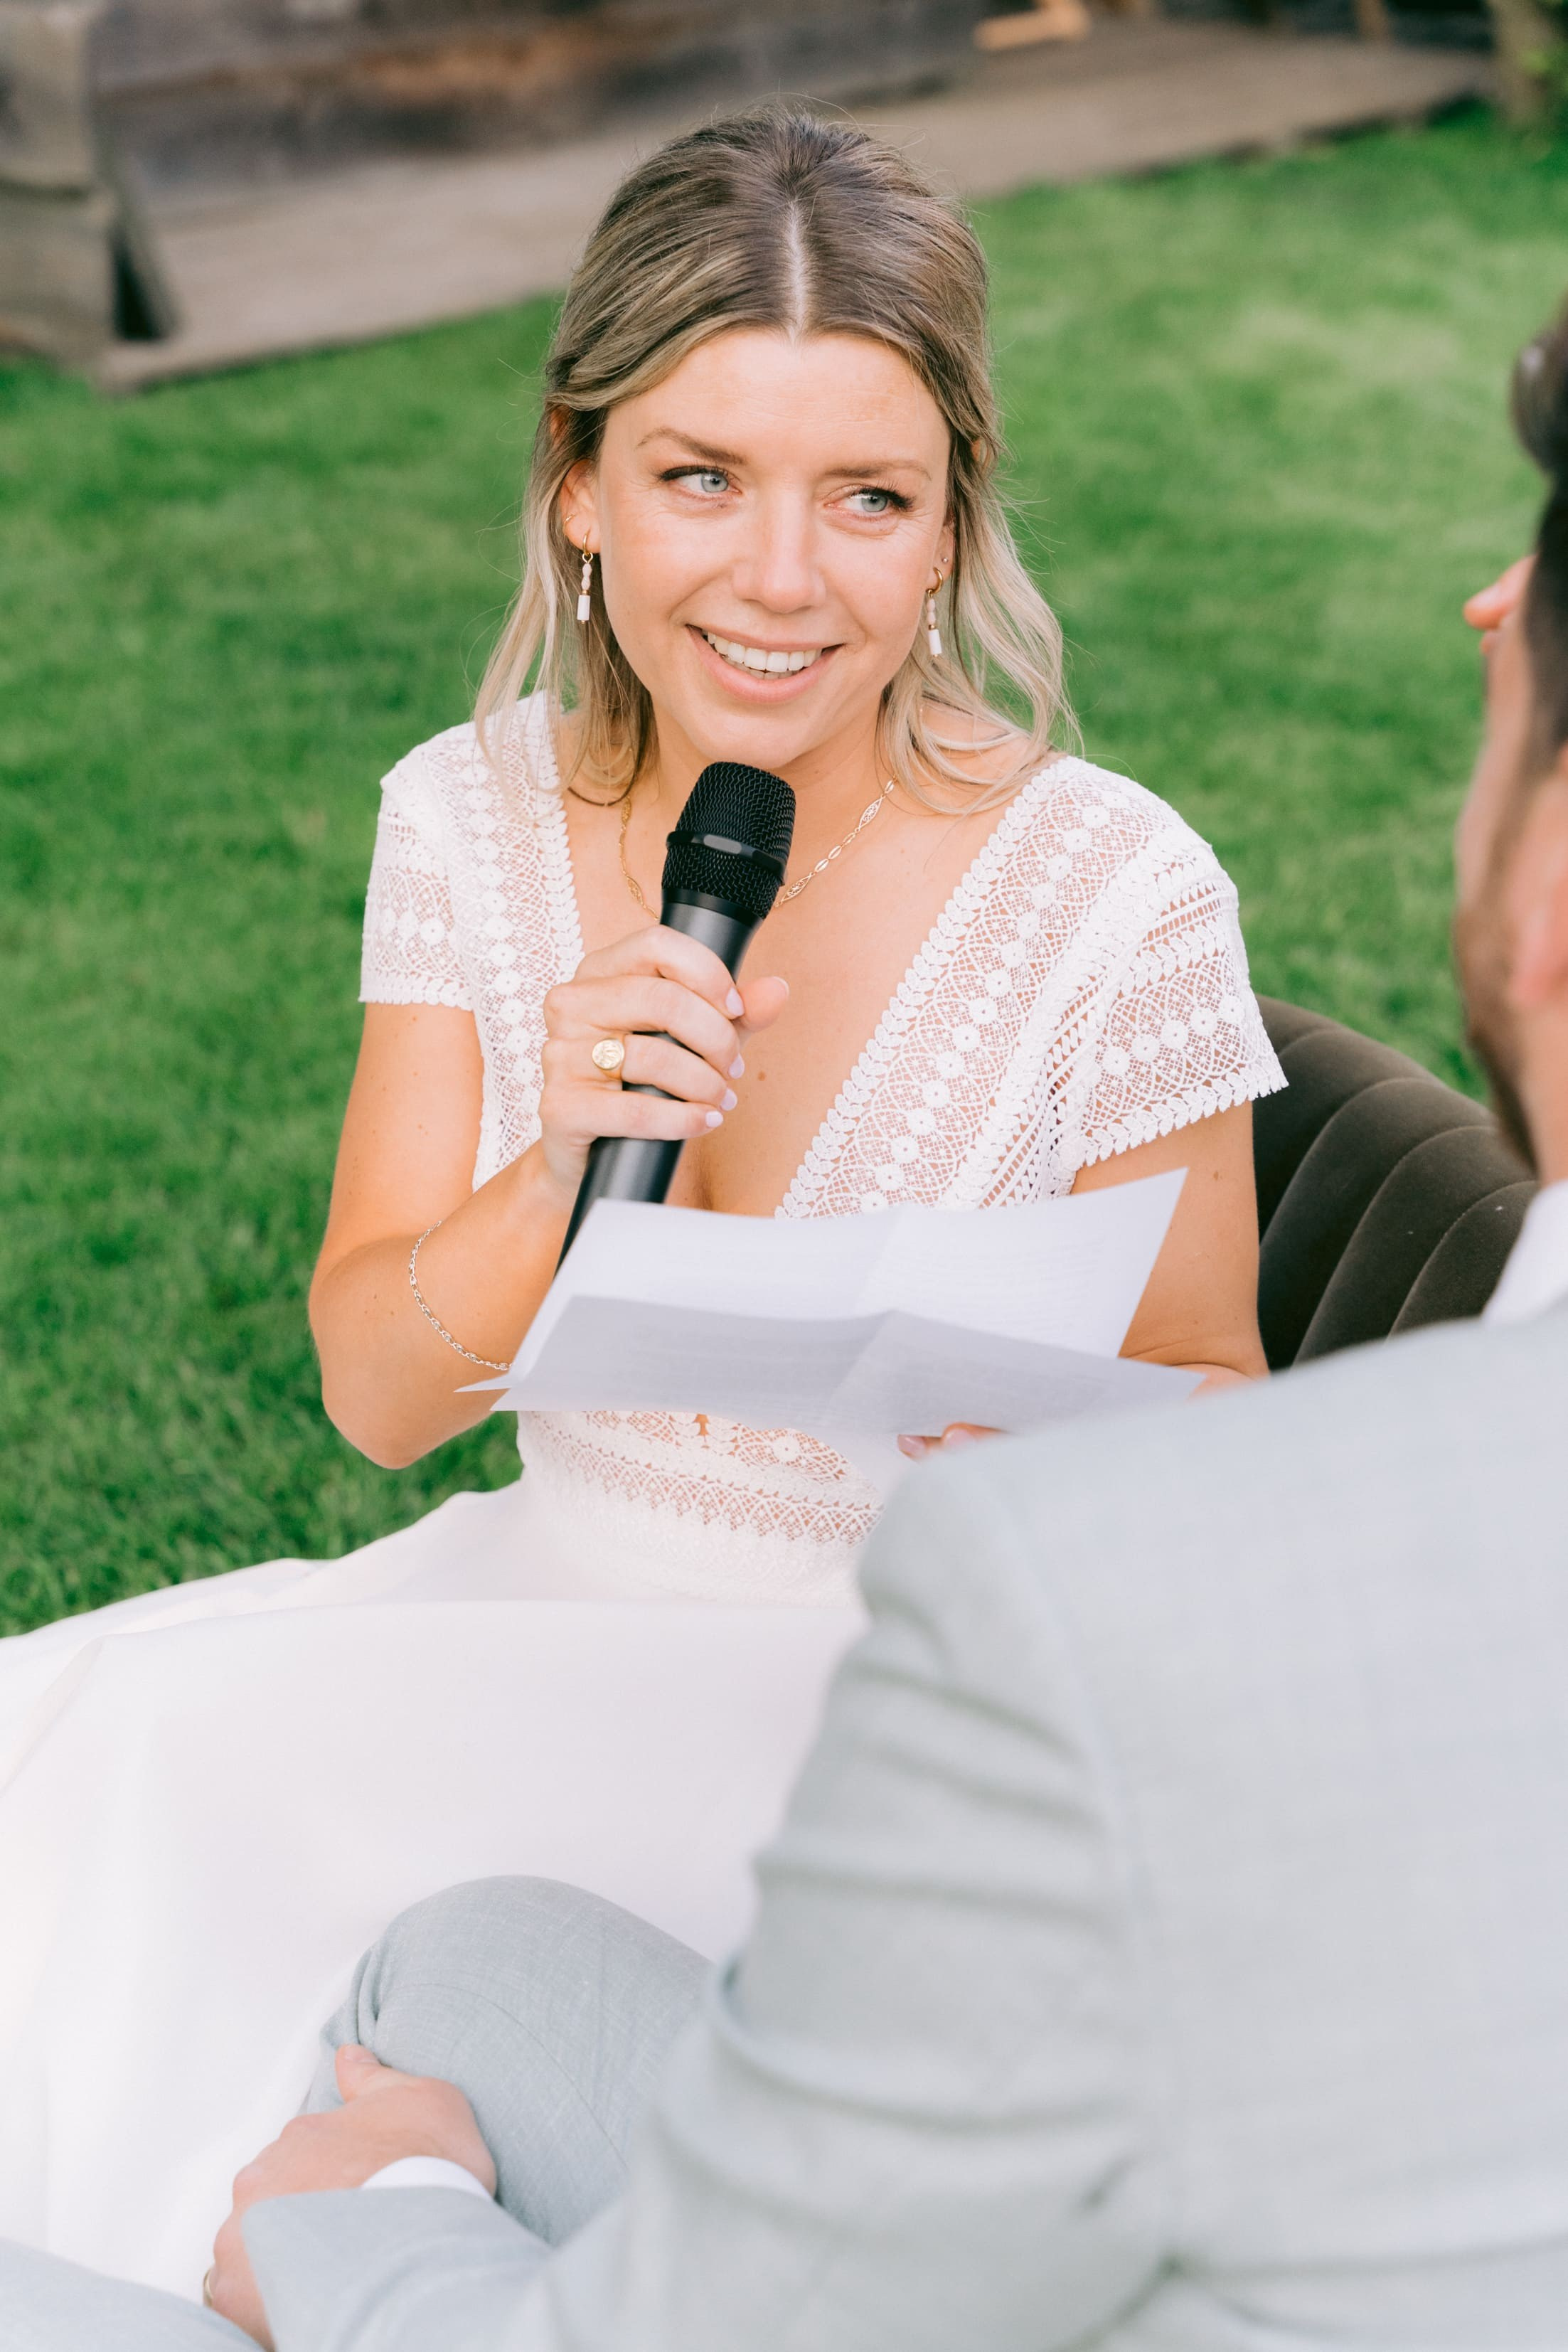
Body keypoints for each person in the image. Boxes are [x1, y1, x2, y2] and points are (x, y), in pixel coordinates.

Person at [9, 297, 1562, 2352]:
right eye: (702, 478)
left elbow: (1220, 1398)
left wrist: (1076, 1433)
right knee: (109, 1766)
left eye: (867, 499)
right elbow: (379, 1398)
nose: (779, 575)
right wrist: (554, 1167)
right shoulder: (468, 810)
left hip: (893, 1686)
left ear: (951, 529)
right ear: (578, 485)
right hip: (536, 1605)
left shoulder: (1119, 886)